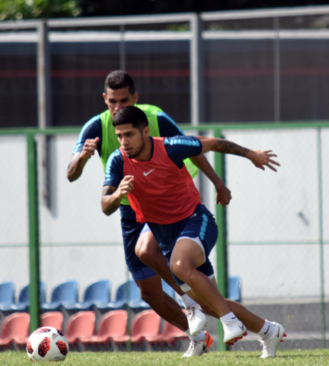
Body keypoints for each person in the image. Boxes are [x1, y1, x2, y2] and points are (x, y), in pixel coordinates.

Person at [67, 70, 231, 356]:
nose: (118, 108)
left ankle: (196, 304)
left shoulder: (155, 119)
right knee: (149, 293)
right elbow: (70, 174)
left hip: (170, 205)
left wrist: (218, 183)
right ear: (104, 99)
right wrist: (82, 158)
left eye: (124, 100)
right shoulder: (96, 126)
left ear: (136, 98)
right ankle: (201, 335)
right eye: (112, 102)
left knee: (153, 254)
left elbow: (193, 148)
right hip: (130, 210)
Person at [101, 106, 286, 357]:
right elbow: (104, 205)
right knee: (205, 301)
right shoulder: (118, 160)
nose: (124, 141)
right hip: (165, 235)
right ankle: (268, 331)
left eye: (129, 135)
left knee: (179, 265)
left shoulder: (170, 147)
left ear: (145, 131)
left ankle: (229, 321)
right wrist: (117, 195)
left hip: (196, 221)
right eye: (120, 135)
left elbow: (214, 143)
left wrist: (251, 154)